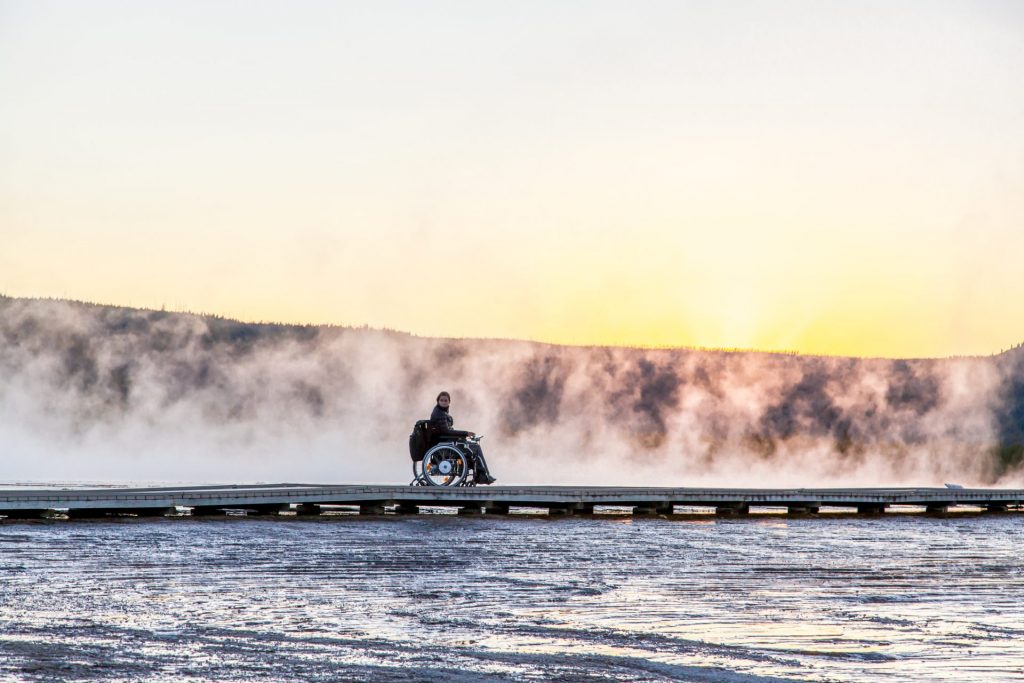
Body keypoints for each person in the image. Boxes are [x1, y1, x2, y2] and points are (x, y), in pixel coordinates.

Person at [429, 391, 496, 485]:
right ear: (438, 401)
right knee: (475, 448)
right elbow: (446, 432)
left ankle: (482, 475)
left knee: (473, 447)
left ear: (449, 402)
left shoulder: (441, 412)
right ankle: (483, 476)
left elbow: (446, 431)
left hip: (446, 441)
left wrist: (462, 436)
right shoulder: (439, 414)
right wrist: (465, 433)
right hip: (445, 443)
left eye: (446, 400)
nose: (444, 402)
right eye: (442, 400)